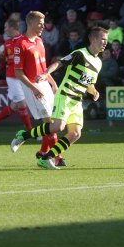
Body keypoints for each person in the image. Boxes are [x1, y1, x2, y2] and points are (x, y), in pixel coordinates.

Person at [10, 26, 108, 170]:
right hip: (66, 95)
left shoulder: (98, 62)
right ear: (93, 39)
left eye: (106, 40)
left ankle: (46, 158)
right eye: (103, 39)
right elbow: (59, 62)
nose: (105, 42)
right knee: (57, 126)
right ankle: (24, 135)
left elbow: (89, 83)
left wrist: (94, 91)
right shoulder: (80, 54)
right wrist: (45, 74)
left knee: (75, 134)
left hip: (77, 100)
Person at [11, 11, 64, 166]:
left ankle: (40, 150)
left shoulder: (39, 41)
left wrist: (52, 82)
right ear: (30, 23)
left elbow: (43, 67)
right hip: (32, 87)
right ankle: (56, 157)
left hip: (44, 83)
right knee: (49, 121)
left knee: (52, 122)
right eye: (40, 23)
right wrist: (33, 88)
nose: (43, 26)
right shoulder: (20, 44)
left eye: (43, 23)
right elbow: (18, 73)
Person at [0, 18, 33, 134]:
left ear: (12, 27)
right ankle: (31, 132)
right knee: (22, 104)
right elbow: (4, 61)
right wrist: (0, 63)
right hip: (12, 77)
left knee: (14, 106)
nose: (4, 29)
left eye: (6, 27)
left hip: (24, 76)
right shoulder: (7, 44)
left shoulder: (24, 41)